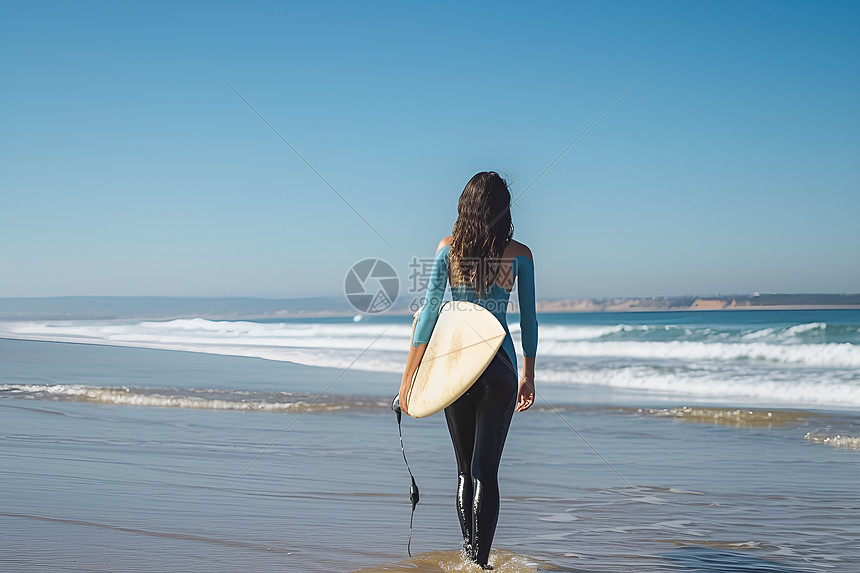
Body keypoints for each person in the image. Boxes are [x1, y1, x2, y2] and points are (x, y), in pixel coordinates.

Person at [398, 171, 538, 569]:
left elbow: (427, 317)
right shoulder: (520, 255)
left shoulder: (448, 250)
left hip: (455, 365)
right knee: (486, 472)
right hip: (500, 367)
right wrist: (527, 374)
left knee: (463, 471)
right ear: (504, 210)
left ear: (465, 207)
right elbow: (529, 321)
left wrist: (408, 380)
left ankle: (469, 558)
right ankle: (480, 562)